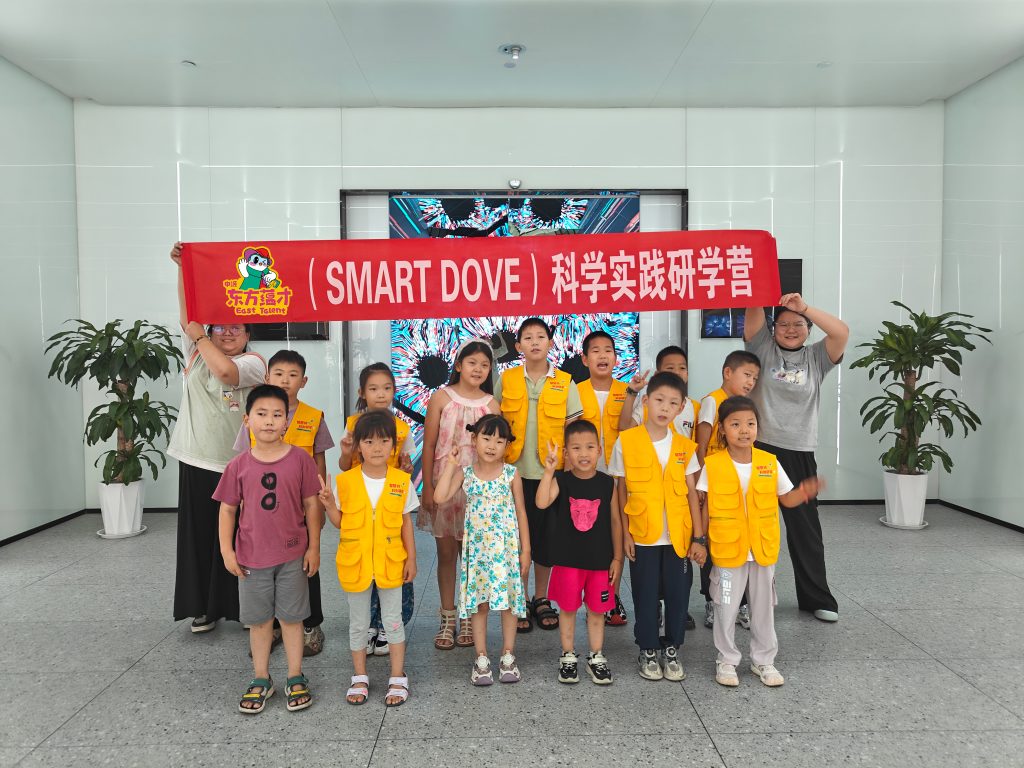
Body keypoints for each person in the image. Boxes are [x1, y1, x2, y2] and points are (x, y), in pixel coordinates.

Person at [168, 241, 267, 634]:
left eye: (236, 327)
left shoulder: (254, 363)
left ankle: (242, 607)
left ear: (248, 333)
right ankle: (203, 608)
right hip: (196, 459)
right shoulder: (195, 354)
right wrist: (183, 268)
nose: (227, 332)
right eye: (220, 326)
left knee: (239, 537)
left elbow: (226, 373)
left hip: (237, 465)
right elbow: (188, 317)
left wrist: (201, 337)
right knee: (199, 538)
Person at [697, 396, 824, 687]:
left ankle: (764, 660)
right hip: (727, 551)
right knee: (725, 606)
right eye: (735, 424)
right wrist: (700, 541)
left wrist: (805, 491)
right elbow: (704, 508)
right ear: (722, 429)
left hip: (762, 550)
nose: (744, 430)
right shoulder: (713, 465)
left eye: (750, 423)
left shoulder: (769, 462)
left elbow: (786, 498)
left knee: (764, 607)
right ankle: (726, 660)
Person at [214, 385, 322, 714]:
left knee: (292, 619)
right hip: (252, 559)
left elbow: (311, 504)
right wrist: (227, 551)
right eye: (261, 414)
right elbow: (227, 510)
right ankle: (261, 677)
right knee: (259, 622)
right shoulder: (238, 465)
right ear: (247, 420)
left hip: (292, 556)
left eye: (277, 414)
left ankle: (294, 674)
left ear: (287, 421)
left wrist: (314, 547)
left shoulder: (301, 460)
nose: (270, 421)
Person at [744, 294, 849, 622]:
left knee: (806, 529)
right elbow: (753, 308)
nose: (791, 329)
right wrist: (759, 285)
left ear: (808, 328)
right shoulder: (763, 349)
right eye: (784, 324)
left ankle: (817, 597)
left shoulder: (817, 357)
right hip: (760, 449)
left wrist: (805, 308)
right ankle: (746, 599)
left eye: (798, 324)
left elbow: (841, 332)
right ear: (773, 328)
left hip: (800, 452)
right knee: (753, 525)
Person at [231, 350, 332, 657]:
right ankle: (271, 627)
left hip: (301, 509)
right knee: (265, 568)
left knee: (305, 568)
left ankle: (311, 625)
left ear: (303, 381)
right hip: (262, 514)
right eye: (278, 374)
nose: (285, 380)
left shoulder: (314, 417)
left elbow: (319, 463)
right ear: (267, 377)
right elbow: (241, 462)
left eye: (292, 375)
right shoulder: (255, 417)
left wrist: (319, 506)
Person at [608, 372, 706, 682]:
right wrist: (625, 535)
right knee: (645, 594)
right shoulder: (627, 441)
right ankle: (648, 648)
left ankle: (672, 647)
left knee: (678, 595)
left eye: (673, 403)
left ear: (682, 408)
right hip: (642, 535)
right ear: (646, 401)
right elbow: (621, 492)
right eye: (659, 400)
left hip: (679, 537)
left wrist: (699, 538)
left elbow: (691, 494)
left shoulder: (684, 446)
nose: (665, 408)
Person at [318, 411, 419, 707]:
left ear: (394, 446)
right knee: (359, 624)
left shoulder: (402, 481)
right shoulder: (346, 481)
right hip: (356, 563)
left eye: (384, 441)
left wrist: (412, 559)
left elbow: (406, 523)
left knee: (393, 622)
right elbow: (340, 522)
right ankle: (360, 676)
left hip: (391, 561)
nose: (377, 448)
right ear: (358, 446)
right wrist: (329, 504)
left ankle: (397, 676)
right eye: (369, 441)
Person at [494, 318, 583, 632]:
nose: (535, 342)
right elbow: (494, 423)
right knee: (516, 539)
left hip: (551, 475)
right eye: (528, 337)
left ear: (550, 343)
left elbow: (574, 431)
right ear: (518, 346)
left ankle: (540, 597)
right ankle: (518, 599)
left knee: (547, 538)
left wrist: (570, 475)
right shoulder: (506, 379)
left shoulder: (566, 382)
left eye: (541, 337)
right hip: (512, 474)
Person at [433, 414, 530, 686]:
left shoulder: (511, 474)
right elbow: (440, 497)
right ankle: (481, 657)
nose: (492, 445)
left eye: (499, 441)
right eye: (486, 438)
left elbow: (521, 512)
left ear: (507, 446)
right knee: (480, 604)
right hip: (477, 553)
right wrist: (451, 465)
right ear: (474, 440)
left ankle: (508, 655)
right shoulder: (466, 473)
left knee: (508, 603)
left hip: (506, 550)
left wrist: (526, 550)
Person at [420, 340, 500, 650]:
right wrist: (427, 488)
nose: (478, 369)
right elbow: (429, 445)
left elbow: (496, 452)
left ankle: (469, 615)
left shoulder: (492, 405)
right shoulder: (442, 397)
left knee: (472, 558)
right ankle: (448, 617)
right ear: (458, 366)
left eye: (484, 364)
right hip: (444, 485)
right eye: (472, 363)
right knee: (446, 555)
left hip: (477, 491)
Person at [536, 421, 622, 685]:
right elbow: (541, 502)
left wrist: (617, 557)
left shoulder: (607, 484)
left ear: (600, 450)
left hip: (599, 562)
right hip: (567, 561)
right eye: (576, 448)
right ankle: (568, 655)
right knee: (568, 609)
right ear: (566, 453)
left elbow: (616, 521)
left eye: (589, 447)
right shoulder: (561, 480)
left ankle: (596, 656)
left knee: (597, 612)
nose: (583, 454)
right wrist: (549, 471)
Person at [338, 363, 415, 657]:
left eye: (387, 388)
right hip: (362, 505)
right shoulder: (352, 425)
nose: (381, 394)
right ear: (362, 392)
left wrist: (406, 468)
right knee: (364, 570)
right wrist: (346, 453)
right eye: (373, 388)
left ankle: (388, 626)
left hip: (390, 507)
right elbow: (344, 466)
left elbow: (406, 467)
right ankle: (369, 625)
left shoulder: (401, 428)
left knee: (392, 569)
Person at [694, 350, 761, 631]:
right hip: (714, 485)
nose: (751, 382)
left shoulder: (746, 407)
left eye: (755, 378)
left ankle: (742, 603)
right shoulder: (712, 401)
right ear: (727, 373)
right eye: (747, 375)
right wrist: (700, 484)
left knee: (740, 543)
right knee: (713, 544)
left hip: (738, 488)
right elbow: (700, 446)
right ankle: (712, 602)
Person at [577, 330, 631, 628]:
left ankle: (611, 596)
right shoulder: (574, 391)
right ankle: (587, 595)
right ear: (585, 359)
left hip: (617, 475)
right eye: (595, 350)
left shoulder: (628, 391)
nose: (602, 355)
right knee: (586, 536)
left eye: (608, 350)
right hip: (583, 477)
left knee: (615, 536)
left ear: (615, 357)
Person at [619, 345, 700, 439]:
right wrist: (632, 392)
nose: (677, 372)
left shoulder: (695, 408)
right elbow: (625, 428)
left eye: (682, 368)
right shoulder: (648, 404)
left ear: (687, 374)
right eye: (670, 368)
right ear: (657, 374)